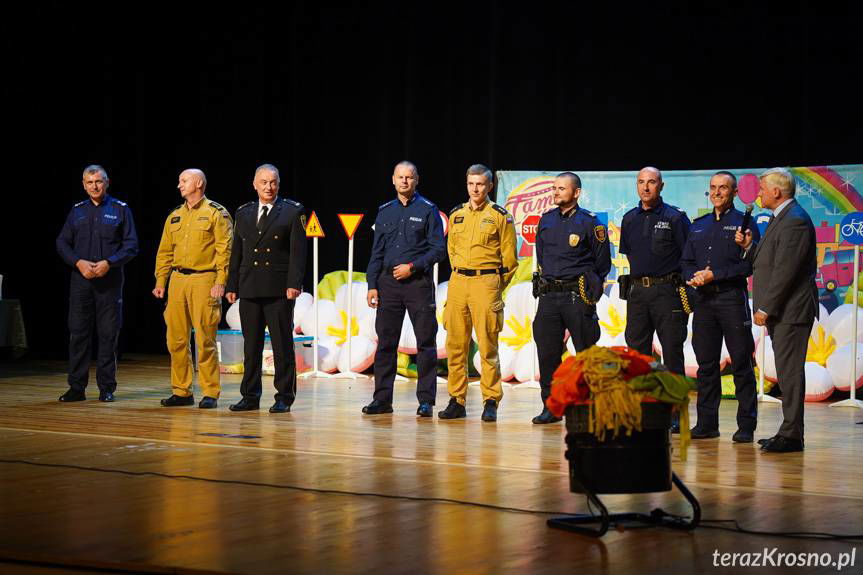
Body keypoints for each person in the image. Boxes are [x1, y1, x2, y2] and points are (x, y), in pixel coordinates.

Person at [736, 168, 817, 453]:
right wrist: (750, 246)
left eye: (761, 188)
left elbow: (786, 270)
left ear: (776, 192)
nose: (758, 193)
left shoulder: (794, 220)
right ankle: (789, 431)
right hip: (784, 311)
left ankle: (792, 435)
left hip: (791, 311)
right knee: (786, 372)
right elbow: (769, 259)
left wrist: (766, 307)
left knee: (790, 372)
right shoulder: (780, 218)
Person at [681, 171, 760, 442]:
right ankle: (706, 424)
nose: (716, 193)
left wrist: (715, 274)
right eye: (713, 188)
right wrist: (694, 276)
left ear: (734, 192)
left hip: (731, 299)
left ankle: (746, 425)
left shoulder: (744, 224)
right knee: (706, 365)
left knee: (741, 362)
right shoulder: (698, 225)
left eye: (723, 188)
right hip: (703, 301)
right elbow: (686, 261)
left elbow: (748, 265)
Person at [362, 162, 446, 416]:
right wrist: (372, 284)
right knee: (386, 343)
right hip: (388, 285)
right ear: (393, 180)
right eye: (400, 177)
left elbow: (439, 249)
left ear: (417, 180)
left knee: (425, 343)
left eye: (409, 177)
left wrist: (413, 266)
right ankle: (382, 400)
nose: (405, 182)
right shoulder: (385, 211)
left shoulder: (429, 210)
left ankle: (426, 401)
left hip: (417, 284)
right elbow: (376, 252)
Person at [226, 164, 307, 413]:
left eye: (273, 182)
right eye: (263, 182)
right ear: (254, 184)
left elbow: (298, 253)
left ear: (278, 184)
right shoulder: (243, 213)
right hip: (250, 286)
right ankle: (250, 396)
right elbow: (236, 252)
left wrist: (294, 284)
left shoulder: (292, 212)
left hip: (278, 289)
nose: (268, 187)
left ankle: (284, 396)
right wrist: (232, 285)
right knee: (251, 346)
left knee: (282, 346)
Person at [440, 164, 517, 422]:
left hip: (486, 282)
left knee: (487, 346)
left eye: (480, 184)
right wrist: (460, 275)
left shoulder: (500, 215)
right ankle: (456, 399)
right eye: (471, 184)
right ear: (467, 184)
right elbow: (451, 251)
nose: (475, 189)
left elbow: (509, 259)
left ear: (489, 186)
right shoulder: (456, 214)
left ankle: (491, 400)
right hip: (458, 281)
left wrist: (494, 285)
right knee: (455, 345)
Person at [532, 172, 611, 424]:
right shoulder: (545, 221)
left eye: (561, 188)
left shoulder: (590, 223)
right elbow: (542, 257)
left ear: (576, 193)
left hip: (577, 295)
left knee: (585, 353)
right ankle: (552, 406)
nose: (555, 192)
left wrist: (589, 289)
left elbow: (602, 264)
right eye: (554, 188)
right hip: (549, 296)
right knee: (547, 353)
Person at [56, 165, 138, 402]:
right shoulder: (77, 212)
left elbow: (131, 245)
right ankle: (77, 387)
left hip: (109, 282)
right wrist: (77, 262)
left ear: (107, 183)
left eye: (99, 182)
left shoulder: (121, 209)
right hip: (81, 282)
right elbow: (62, 243)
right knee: (79, 334)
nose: (94, 186)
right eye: (90, 182)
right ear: (84, 184)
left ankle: (106, 388)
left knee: (108, 334)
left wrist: (109, 263)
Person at [619, 166, 691, 432]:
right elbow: (629, 254)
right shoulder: (629, 218)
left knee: (672, 353)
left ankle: (674, 413)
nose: (645, 187)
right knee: (637, 354)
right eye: (641, 182)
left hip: (667, 292)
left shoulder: (675, 217)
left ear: (661, 186)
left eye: (651, 182)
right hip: (638, 292)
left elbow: (688, 257)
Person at [153, 169, 232, 408]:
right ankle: (182, 391)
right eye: (179, 181)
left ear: (198, 183)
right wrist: (160, 281)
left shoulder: (216, 213)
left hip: (204, 280)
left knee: (205, 339)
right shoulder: (174, 216)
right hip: (178, 280)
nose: (179, 185)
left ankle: (210, 392)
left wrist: (221, 281)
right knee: (176, 340)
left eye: (184, 181)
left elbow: (224, 250)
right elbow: (165, 252)